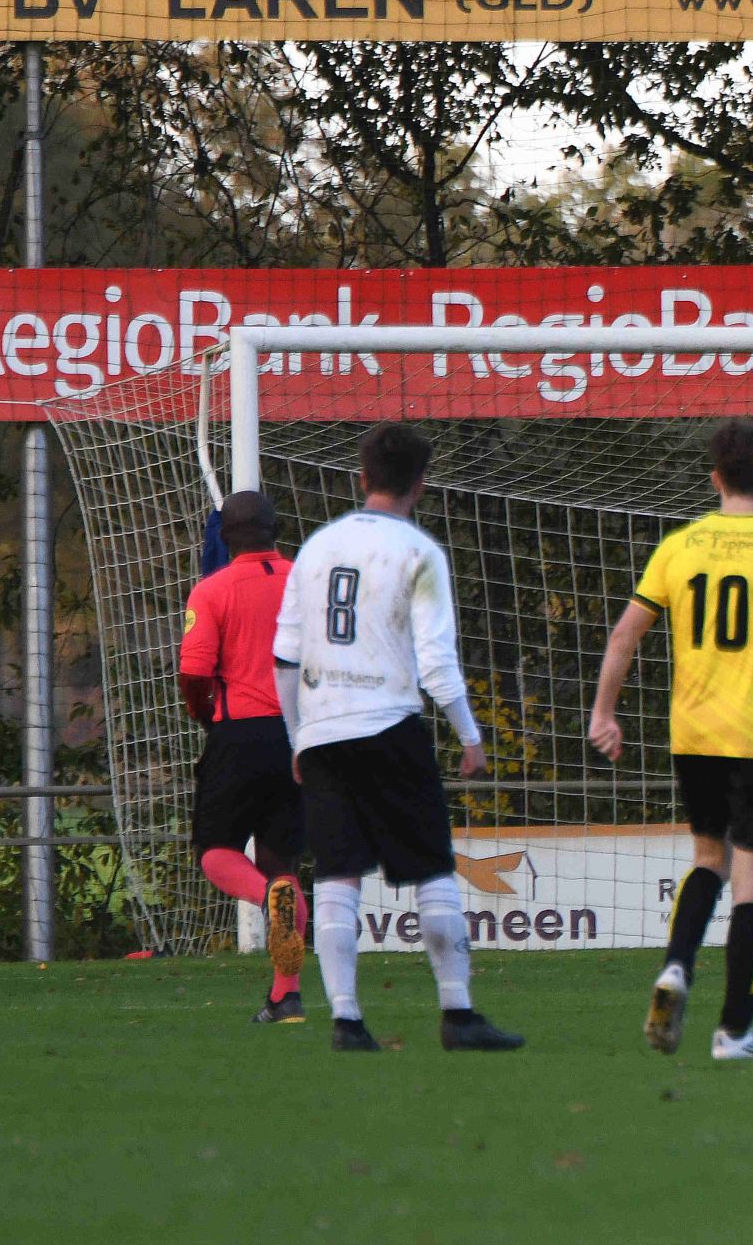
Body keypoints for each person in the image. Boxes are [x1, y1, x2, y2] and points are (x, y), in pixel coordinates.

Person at [589, 419, 753, 1061]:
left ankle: (676, 966)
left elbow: (624, 634)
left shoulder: (680, 547)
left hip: (694, 734)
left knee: (708, 857)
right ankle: (734, 1033)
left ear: (715, 479)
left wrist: (604, 713)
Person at [272, 423, 522, 1053]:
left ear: (363, 478)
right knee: (432, 870)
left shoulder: (317, 547)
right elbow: (436, 662)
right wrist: (469, 735)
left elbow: (285, 657)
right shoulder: (418, 551)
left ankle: (347, 1021)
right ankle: (458, 1014)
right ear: (421, 484)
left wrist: (299, 738)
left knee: (337, 876)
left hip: (323, 733)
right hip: (388, 725)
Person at [178, 489, 308, 1023]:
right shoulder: (305, 582)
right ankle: (286, 997)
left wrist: (204, 714)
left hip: (239, 732)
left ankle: (266, 896)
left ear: (224, 536)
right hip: (300, 736)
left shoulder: (213, 590)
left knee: (216, 850)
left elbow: (194, 672)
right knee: (283, 860)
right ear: (276, 528)